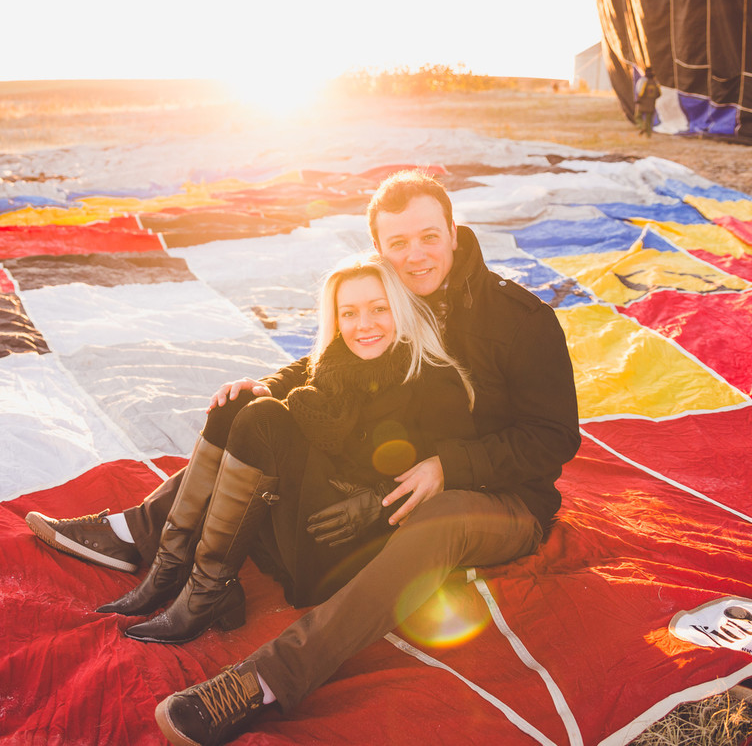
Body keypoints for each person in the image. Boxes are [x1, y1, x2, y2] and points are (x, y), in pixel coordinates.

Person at [150, 170, 581, 746]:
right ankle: (153, 534)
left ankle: (264, 679)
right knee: (265, 424)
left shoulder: (521, 320)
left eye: (429, 236)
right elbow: (331, 360)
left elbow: (554, 438)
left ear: (454, 232)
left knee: (439, 517)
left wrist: (451, 466)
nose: (416, 255)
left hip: (503, 498)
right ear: (380, 249)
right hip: (399, 478)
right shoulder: (391, 295)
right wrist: (267, 389)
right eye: (398, 243)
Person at [31, 252, 476, 645]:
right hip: (302, 514)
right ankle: (176, 570)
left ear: (400, 308)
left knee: (264, 419)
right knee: (240, 400)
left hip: (345, 546)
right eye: (350, 313)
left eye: (379, 309)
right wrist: (263, 385)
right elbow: (305, 369)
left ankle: (200, 584)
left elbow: (456, 478)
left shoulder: (434, 381)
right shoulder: (337, 363)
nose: (364, 325)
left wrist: (378, 501)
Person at [635, 66, 661, 137]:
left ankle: (643, 127)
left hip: (643, 104)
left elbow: (641, 92)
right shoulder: (655, 83)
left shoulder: (644, 82)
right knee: (649, 120)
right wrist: (652, 99)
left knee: (638, 116)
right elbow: (659, 93)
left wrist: (638, 100)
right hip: (652, 104)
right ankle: (648, 136)